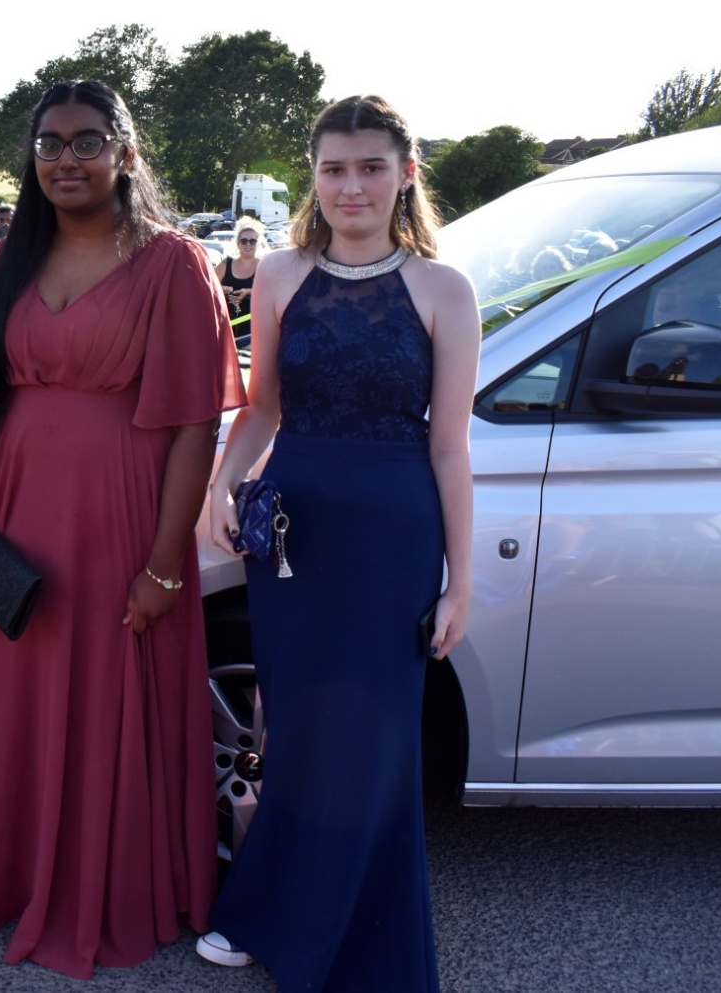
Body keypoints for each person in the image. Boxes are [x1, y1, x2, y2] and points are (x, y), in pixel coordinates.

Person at [0, 79, 242, 979]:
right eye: (50, 144)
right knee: (23, 695)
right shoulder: (3, 263)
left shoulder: (173, 263)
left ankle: (106, 890)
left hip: (123, 517)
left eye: (87, 141)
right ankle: (15, 878)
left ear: (125, 152)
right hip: (18, 515)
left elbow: (194, 427)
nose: (66, 159)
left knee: (113, 692)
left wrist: (165, 567)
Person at [197, 95, 479, 991]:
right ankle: (270, 914)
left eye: (370, 167)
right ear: (313, 178)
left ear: (405, 174)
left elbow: (450, 446)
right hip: (294, 535)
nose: (351, 186)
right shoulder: (280, 274)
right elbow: (263, 411)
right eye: (333, 169)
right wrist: (220, 484)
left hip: (394, 538)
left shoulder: (444, 289)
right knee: (296, 725)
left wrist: (460, 583)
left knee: (375, 737)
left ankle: (360, 938)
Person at [216, 216, 264, 345]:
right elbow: (209, 286)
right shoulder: (226, 263)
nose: (248, 244)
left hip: (252, 330)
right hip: (224, 324)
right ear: (238, 244)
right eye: (244, 241)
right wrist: (222, 289)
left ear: (258, 244)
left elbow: (272, 293)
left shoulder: (264, 266)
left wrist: (248, 291)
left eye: (252, 241)